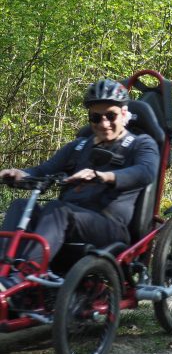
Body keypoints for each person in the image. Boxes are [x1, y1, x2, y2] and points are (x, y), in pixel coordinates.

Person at [0, 79, 160, 290]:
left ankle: (25, 277)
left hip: (110, 226)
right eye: (96, 117)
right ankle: (4, 271)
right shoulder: (78, 146)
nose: (103, 123)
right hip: (70, 221)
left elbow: (145, 172)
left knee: (58, 209)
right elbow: (42, 171)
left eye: (110, 115)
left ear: (123, 113)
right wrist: (20, 174)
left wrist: (104, 176)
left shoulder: (141, 144)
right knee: (21, 206)